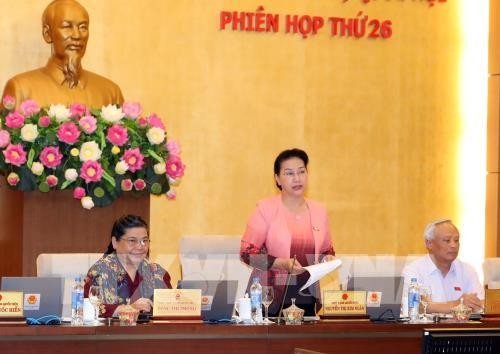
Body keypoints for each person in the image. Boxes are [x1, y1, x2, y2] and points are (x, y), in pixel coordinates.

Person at [240, 148, 335, 316]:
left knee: (306, 343)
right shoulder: (265, 208)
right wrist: (282, 263)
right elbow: (247, 253)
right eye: (289, 173)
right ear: (277, 179)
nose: (297, 178)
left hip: (307, 295)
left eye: (301, 171)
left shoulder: (320, 211)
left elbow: (327, 250)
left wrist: (328, 258)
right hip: (269, 297)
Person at [2, 0, 123, 109]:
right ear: (48, 33)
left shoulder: (110, 93)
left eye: (83, 27)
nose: (77, 35)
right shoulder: (21, 89)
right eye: (66, 26)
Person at [84, 215, 172, 318]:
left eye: (144, 241)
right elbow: (86, 308)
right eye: (132, 241)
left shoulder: (157, 273)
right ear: (115, 242)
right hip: (112, 333)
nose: (140, 247)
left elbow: (171, 307)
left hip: (153, 333)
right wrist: (127, 309)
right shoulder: (99, 272)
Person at [402, 219, 484, 315]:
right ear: (429, 243)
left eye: (456, 240)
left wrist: (432, 306)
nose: (453, 245)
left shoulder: (467, 270)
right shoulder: (413, 271)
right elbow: (415, 306)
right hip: (427, 329)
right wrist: (458, 304)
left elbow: (481, 303)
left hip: (461, 328)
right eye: (447, 240)